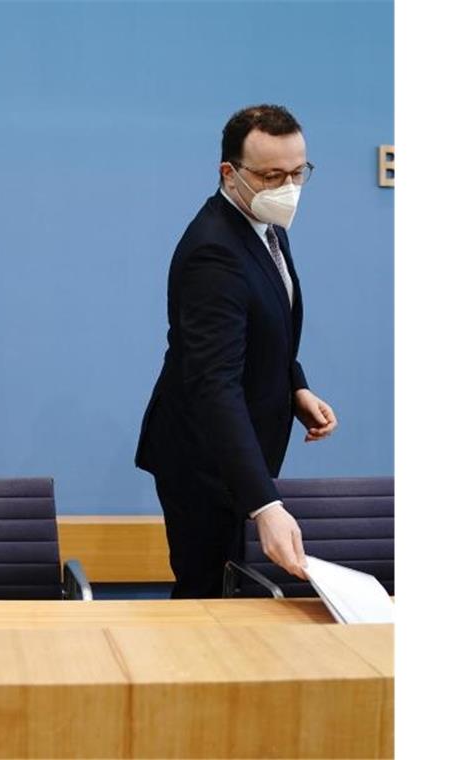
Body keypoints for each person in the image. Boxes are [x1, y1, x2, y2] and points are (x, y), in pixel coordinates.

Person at [135, 104, 338, 598]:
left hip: (239, 452)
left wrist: (296, 385)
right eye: (272, 175)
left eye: (298, 173)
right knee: (207, 604)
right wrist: (265, 505)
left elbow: (265, 330)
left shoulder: (266, 225)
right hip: (204, 462)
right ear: (230, 173)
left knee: (234, 600)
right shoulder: (214, 251)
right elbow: (213, 383)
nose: (287, 188)